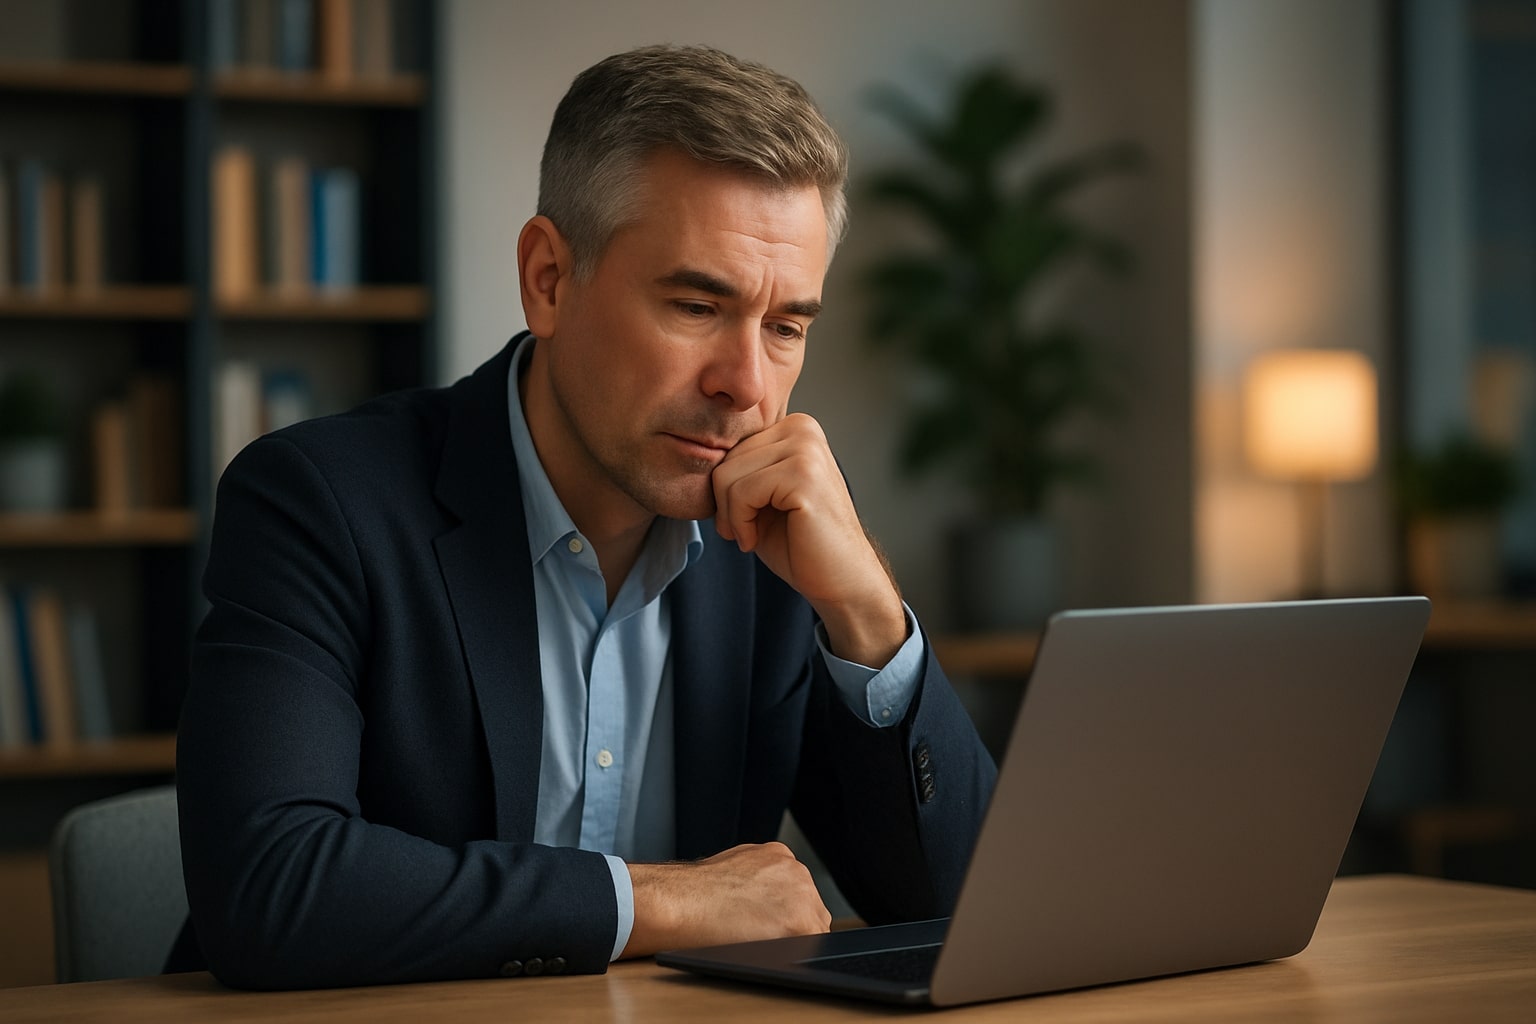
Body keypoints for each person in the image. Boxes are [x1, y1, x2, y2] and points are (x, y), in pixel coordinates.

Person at [172, 44, 996, 990]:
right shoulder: (319, 502)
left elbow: (973, 914)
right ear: (549, 279)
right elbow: (271, 888)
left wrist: (870, 622)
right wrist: (663, 903)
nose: (746, 386)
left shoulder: (779, 535)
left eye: (786, 327)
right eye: (696, 304)